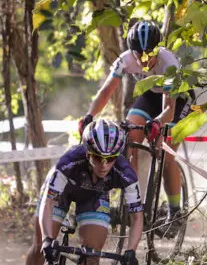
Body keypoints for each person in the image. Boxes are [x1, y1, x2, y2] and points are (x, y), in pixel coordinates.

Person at [17, 119, 144, 265]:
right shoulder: (68, 162)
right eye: (97, 158)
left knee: (93, 255)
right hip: (62, 193)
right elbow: (48, 204)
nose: (104, 165)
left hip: (93, 196)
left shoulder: (125, 173)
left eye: (110, 159)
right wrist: (49, 239)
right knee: (40, 244)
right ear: (87, 152)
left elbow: (137, 218)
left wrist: (131, 251)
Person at [78, 20, 193, 236]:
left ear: (158, 48)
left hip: (178, 100)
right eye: (139, 55)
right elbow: (105, 92)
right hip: (150, 95)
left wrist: (157, 124)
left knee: (164, 154)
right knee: (129, 139)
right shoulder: (126, 60)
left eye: (150, 54)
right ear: (132, 52)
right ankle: (134, 201)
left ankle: (175, 211)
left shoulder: (168, 63)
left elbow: (168, 109)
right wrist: (89, 116)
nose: (145, 59)